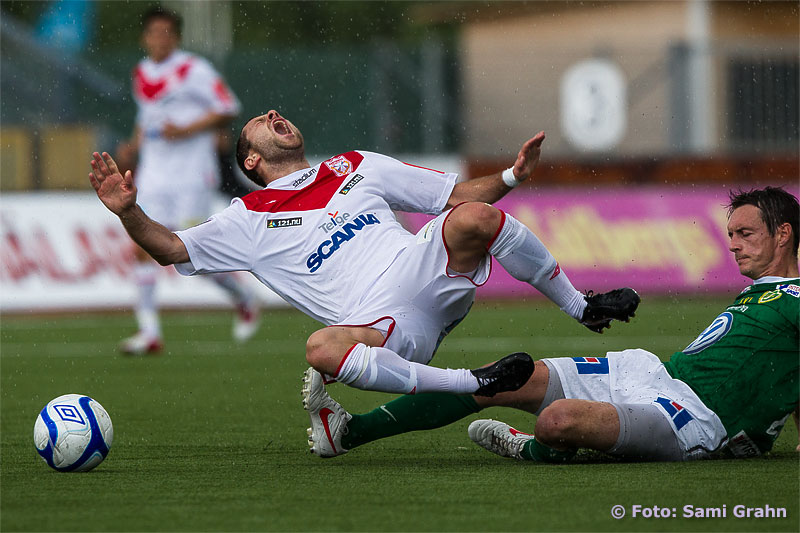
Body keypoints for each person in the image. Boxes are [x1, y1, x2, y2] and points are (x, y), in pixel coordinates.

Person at [89, 108, 640, 413]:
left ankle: (580, 306)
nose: (276, 113)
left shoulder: (357, 164)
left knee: (473, 219)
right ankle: (472, 381)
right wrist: (128, 211)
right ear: (252, 159)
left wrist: (513, 176)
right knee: (320, 348)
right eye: (261, 119)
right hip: (384, 326)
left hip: (425, 271)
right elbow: (170, 249)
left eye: (278, 111)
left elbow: (453, 196)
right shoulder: (247, 219)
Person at [302, 186, 799, 461]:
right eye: (730, 233)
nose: (732, 244)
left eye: (745, 233)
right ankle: (348, 433)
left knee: (558, 420)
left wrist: (762, 432)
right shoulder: (761, 292)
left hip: (694, 419)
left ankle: (536, 450)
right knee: (504, 376)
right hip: (650, 373)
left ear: (783, 233)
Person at [114, 6, 259, 355]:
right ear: (144, 37)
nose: (160, 38)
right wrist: (132, 147)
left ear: (176, 37)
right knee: (140, 247)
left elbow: (228, 107)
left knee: (189, 256)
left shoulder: (194, 69)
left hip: (192, 175)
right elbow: (146, 116)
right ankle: (149, 332)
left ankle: (243, 295)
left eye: (167, 32)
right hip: (154, 174)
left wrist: (187, 129)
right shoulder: (142, 72)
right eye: (154, 32)